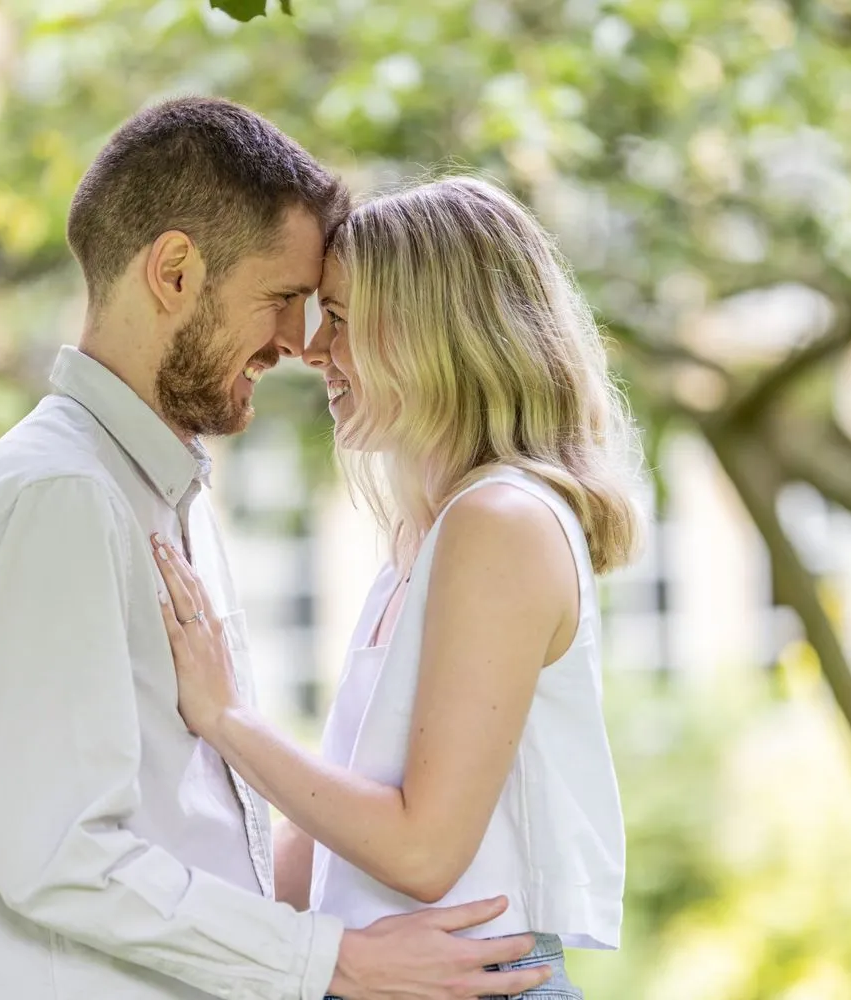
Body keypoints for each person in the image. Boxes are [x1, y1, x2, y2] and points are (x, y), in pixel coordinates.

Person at [0, 98, 558, 999]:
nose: (299, 345)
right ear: (175, 271)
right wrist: (336, 962)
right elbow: (60, 854)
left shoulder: (168, 498)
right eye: (284, 299)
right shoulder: (58, 498)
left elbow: (219, 844)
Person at [150, 176, 646, 1000]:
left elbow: (423, 852)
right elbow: (326, 847)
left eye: (338, 319)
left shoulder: (502, 522)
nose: (312, 351)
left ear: (427, 333)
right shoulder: (426, 540)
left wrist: (227, 717)